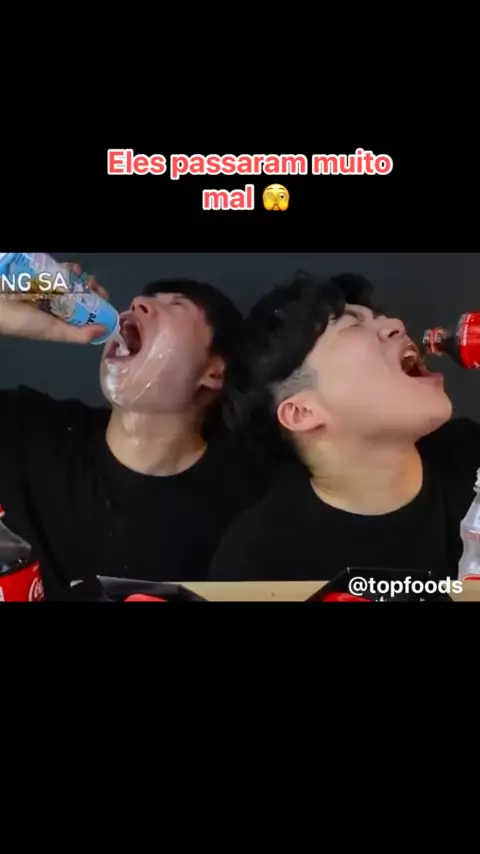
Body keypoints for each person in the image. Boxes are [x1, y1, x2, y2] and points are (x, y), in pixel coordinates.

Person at [0, 266, 271, 598]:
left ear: (214, 372)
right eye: (144, 297)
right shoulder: (23, 427)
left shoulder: (255, 503)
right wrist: (12, 313)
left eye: (176, 305)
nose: (138, 302)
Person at [208, 270, 480, 581]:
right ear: (302, 412)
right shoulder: (259, 559)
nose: (396, 324)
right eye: (353, 326)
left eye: (378, 318)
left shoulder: (470, 454)